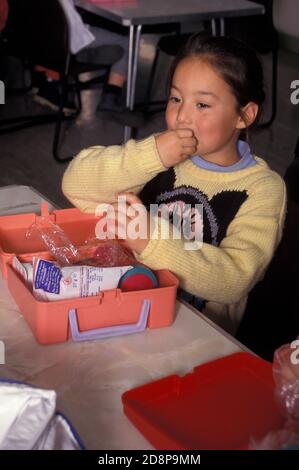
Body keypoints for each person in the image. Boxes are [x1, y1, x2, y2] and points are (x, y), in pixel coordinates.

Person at [62, 34, 286, 334]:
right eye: (176, 98)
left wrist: (150, 241)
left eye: (203, 104)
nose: (181, 117)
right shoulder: (159, 157)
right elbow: (76, 185)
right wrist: (150, 155)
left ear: (244, 115)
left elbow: (234, 279)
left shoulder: (262, 188)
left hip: (195, 338)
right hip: (127, 315)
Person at [33, 0, 128, 113]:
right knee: (127, 41)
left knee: (113, 47)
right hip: (68, 37)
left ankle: (48, 76)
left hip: (40, 40)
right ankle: (111, 97)